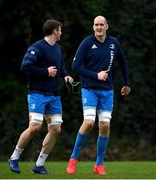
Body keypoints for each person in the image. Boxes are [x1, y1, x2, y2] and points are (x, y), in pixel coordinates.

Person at [66, 15, 131, 175]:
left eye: (102, 24)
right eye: (96, 25)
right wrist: (95, 75)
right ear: (93, 27)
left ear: (107, 26)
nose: (99, 27)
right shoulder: (87, 43)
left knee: (105, 125)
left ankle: (99, 164)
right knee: (88, 122)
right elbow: (75, 66)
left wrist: (126, 83)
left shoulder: (113, 43)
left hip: (107, 91)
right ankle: (73, 159)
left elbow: (122, 63)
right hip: (89, 89)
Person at [8, 19, 73, 175]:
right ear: (54, 31)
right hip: (37, 94)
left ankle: (39, 164)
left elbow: (60, 67)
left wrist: (65, 76)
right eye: (60, 30)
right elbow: (25, 67)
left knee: (56, 129)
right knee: (35, 127)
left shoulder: (58, 48)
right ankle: (14, 157)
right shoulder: (36, 48)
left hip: (53, 95)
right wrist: (45, 72)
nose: (61, 32)